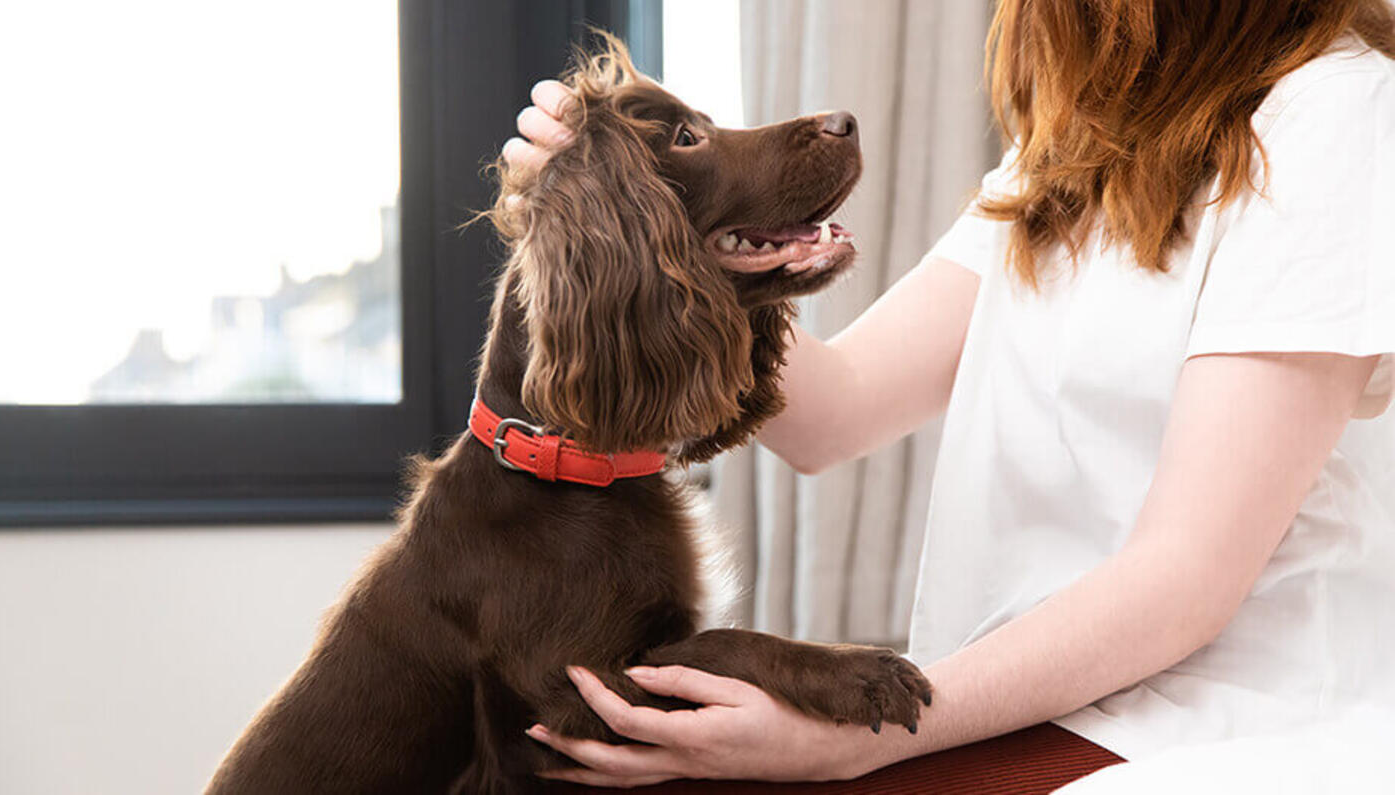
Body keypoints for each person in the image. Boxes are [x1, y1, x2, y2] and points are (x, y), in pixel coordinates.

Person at [503, 1, 1395, 789]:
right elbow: (835, 409)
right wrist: (637, 220)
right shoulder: (1076, 148)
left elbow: (1182, 582)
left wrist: (855, 734)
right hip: (1027, 698)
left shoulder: (1339, 114)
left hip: (1219, 718)